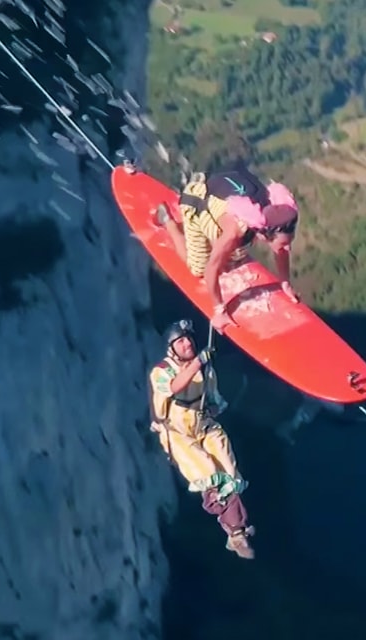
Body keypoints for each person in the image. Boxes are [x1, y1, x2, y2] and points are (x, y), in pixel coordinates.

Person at [147, 318, 255, 559]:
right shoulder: (162, 372)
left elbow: (216, 401)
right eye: (181, 341)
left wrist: (211, 408)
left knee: (229, 471)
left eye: (188, 339)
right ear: (171, 348)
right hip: (177, 432)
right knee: (207, 472)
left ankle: (236, 528)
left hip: (202, 424)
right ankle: (236, 530)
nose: (187, 344)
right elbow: (174, 387)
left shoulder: (206, 371)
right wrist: (198, 362)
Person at [154, 165, 301, 332]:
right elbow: (211, 270)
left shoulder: (270, 215)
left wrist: (286, 284)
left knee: (233, 255)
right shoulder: (233, 233)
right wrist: (219, 310)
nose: (288, 247)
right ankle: (167, 220)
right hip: (196, 201)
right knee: (198, 269)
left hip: (220, 199)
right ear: (264, 235)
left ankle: (218, 246)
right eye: (283, 243)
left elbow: (281, 249)